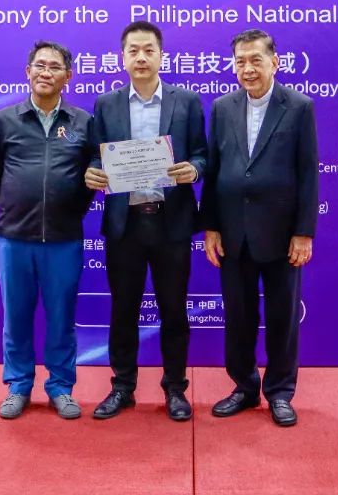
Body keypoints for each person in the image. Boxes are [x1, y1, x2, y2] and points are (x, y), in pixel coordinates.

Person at [84, 22, 207, 421]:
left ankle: (175, 388)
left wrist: (195, 169)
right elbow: (96, 155)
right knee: (123, 309)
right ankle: (122, 387)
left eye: (148, 50)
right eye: (133, 50)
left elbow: (203, 153)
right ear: (122, 58)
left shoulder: (186, 101)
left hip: (171, 222)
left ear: (161, 55)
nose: (141, 57)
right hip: (126, 224)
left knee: (174, 310)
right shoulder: (106, 104)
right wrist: (94, 171)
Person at [200, 29, 318, 427]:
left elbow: (308, 172)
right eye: (240, 61)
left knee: (283, 317)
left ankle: (280, 392)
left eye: (255, 60)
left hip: (282, 235)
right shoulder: (222, 107)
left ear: (274, 62)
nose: (247, 68)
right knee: (238, 316)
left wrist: (304, 232)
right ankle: (244, 387)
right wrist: (211, 226)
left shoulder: (298, 107)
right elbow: (214, 171)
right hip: (233, 233)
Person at [0, 41, 94, 420]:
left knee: (62, 317)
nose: (47, 72)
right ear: (28, 71)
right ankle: (18, 385)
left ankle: (61, 387)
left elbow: (91, 176)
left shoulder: (82, 122)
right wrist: (17, 206)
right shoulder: (4, 120)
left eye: (55, 67)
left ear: (68, 76)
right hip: (14, 238)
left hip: (64, 239)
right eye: (40, 66)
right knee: (16, 316)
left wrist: (67, 209)